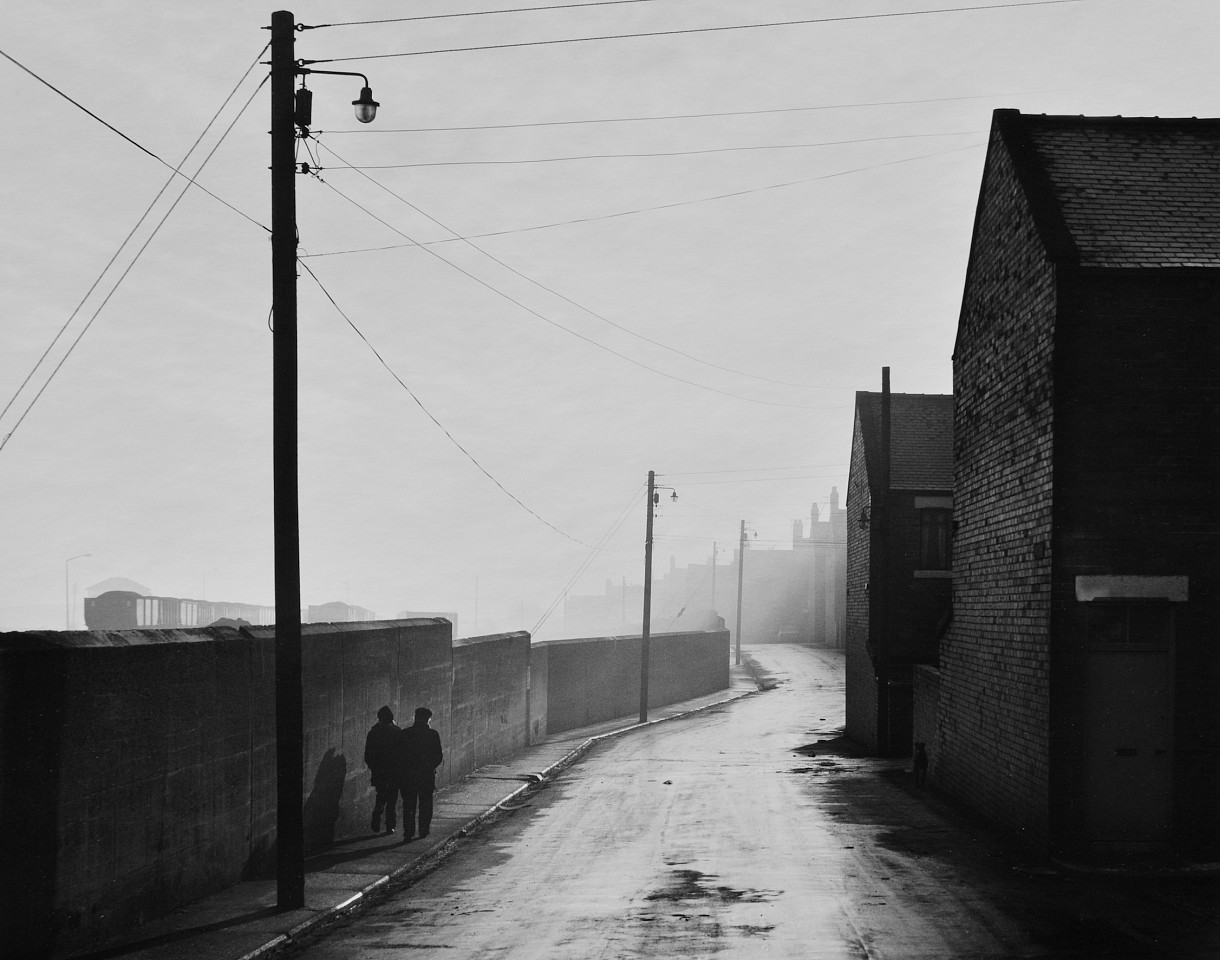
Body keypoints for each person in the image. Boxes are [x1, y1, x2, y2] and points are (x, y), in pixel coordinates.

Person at [398, 706, 443, 840]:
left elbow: (399, 755)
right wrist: (429, 766)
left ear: (415, 718)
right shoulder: (433, 735)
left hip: (408, 775)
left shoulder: (405, 734)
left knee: (409, 805)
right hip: (426, 775)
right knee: (425, 803)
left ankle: (408, 832)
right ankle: (423, 829)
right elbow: (438, 756)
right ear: (428, 719)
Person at [364, 705, 401, 835]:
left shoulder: (373, 733)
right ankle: (390, 825)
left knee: (381, 795)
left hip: (379, 772)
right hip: (394, 772)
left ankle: (377, 810)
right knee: (392, 799)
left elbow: (368, 755)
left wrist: (375, 767)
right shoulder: (397, 732)